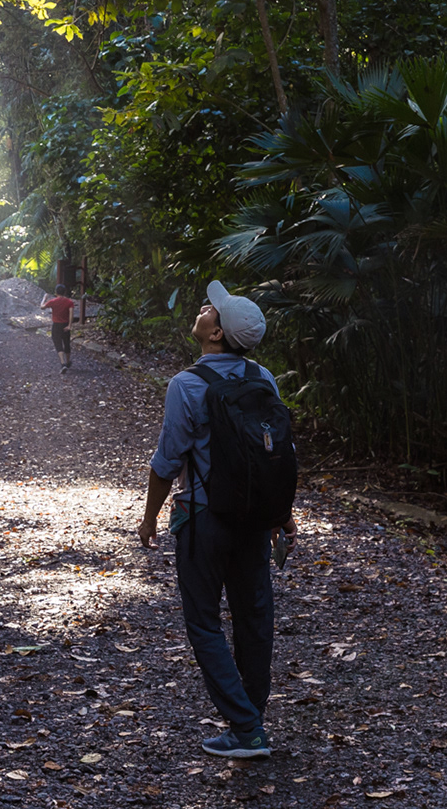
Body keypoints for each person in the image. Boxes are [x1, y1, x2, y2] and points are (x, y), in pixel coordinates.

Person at [138, 281, 296, 760]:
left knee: (204, 623)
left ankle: (246, 728)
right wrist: (281, 514)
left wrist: (148, 520)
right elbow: (276, 453)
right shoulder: (262, 379)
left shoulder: (187, 385)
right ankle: (252, 718)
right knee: (255, 618)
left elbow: (167, 461)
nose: (205, 308)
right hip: (252, 519)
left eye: (212, 310)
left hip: (204, 518)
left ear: (215, 337)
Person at [40, 284, 77, 372]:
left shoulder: (53, 301)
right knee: (66, 343)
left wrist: (44, 299)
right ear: (64, 292)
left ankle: (62, 363)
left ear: (56, 292)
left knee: (58, 343)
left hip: (56, 325)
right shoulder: (69, 302)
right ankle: (68, 362)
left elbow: (42, 307)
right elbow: (71, 314)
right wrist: (69, 326)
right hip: (65, 325)